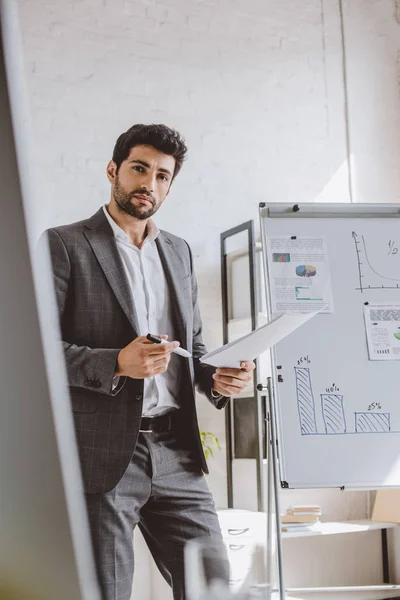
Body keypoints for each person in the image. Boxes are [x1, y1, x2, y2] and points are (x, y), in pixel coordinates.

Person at [45, 123, 255, 600]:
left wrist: (218, 378)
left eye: (163, 176)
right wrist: (117, 361)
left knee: (214, 585)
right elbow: (33, 353)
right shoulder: (64, 245)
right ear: (113, 170)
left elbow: (193, 349)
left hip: (176, 454)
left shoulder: (177, 252)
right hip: (102, 456)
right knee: (107, 592)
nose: (150, 184)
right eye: (140, 169)